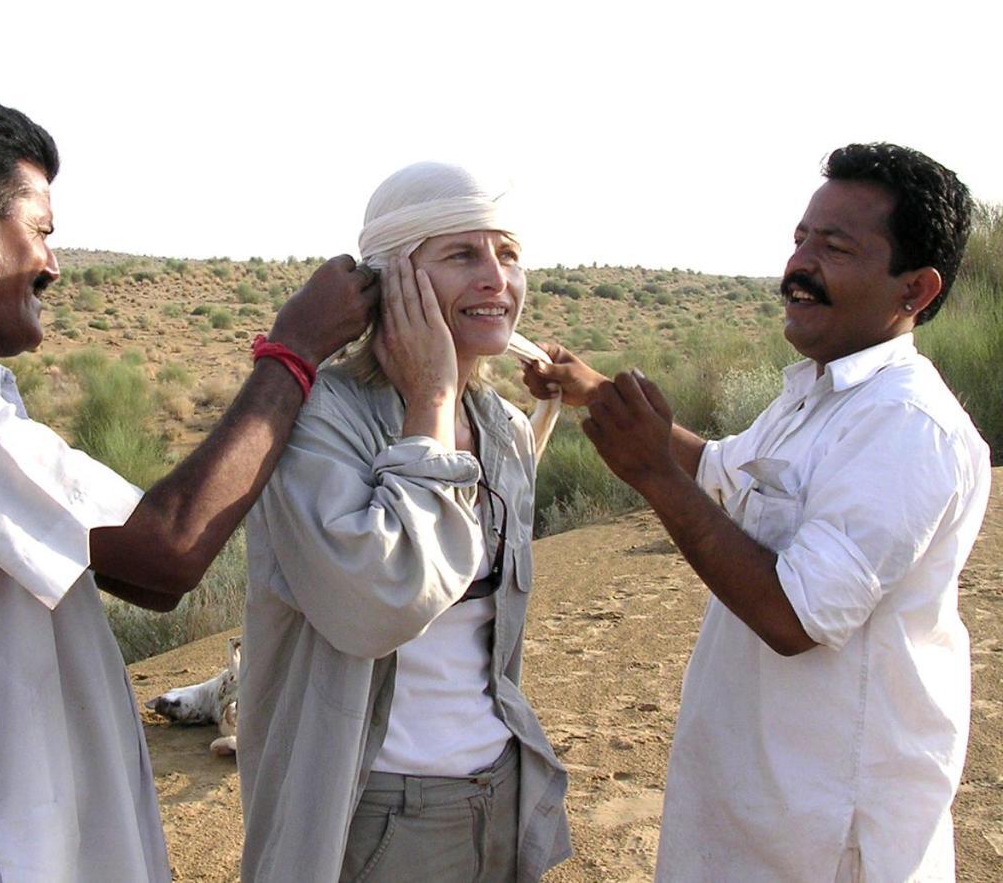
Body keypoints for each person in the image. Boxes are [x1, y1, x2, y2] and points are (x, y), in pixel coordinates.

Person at [0, 100, 377, 882]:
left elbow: (145, 583)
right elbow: (167, 547)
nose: (55, 265)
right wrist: (295, 352)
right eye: (41, 231)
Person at [526, 143, 990, 881]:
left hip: (825, 834)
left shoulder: (907, 427)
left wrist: (649, 473)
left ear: (915, 290)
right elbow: (720, 471)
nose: (798, 266)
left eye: (833, 247)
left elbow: (795, 619)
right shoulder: (816, 392)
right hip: (755, 815)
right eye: (801, 239)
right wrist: (594, 392)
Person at [239, 162, 572, 883]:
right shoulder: (318, 417)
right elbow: (378, 601)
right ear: (393, 278)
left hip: (500, 785)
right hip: (376, 809)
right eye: (461, 255)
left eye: (508, 254)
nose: (496, 278)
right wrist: (429, 399)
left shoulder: (503, 426)